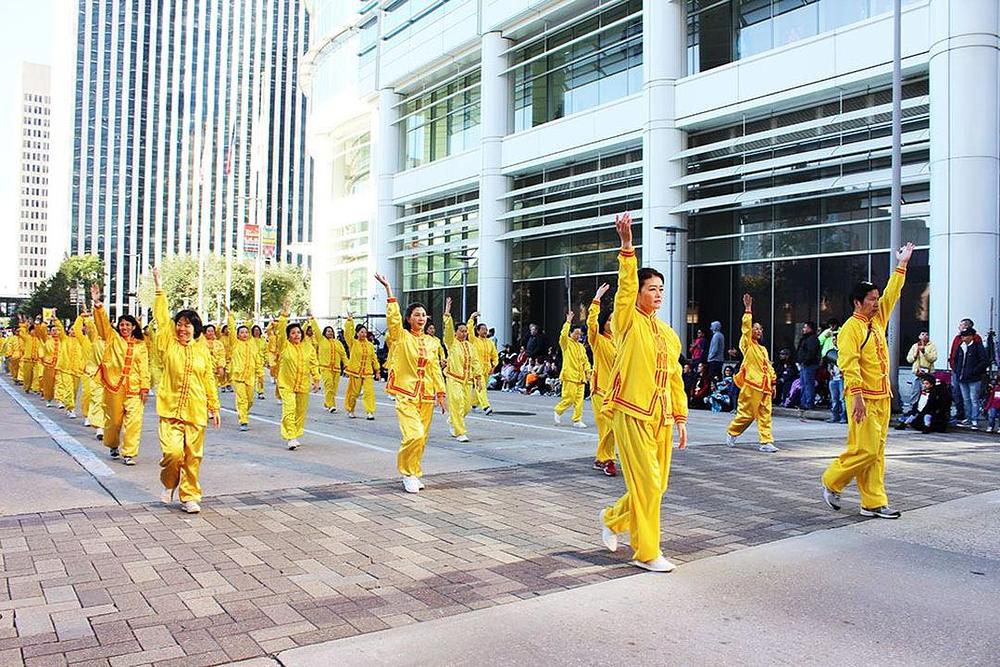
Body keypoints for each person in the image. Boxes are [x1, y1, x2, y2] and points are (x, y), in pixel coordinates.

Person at [600, 212, 688, 573]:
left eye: (661, 289)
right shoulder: (626, 321)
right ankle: (646, 552)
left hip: (662, 416)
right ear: (638, 293)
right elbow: (623, 291)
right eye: (651, 288)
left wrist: (680, 416)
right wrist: (626, 247)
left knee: (657, 486)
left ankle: (613, 518)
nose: (658, 294)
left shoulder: (667, 334)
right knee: (649, 484)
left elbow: (675, 377)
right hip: (631, 410)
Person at [821, 242, 914, 519]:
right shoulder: (851, 328)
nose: (876, 302)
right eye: (872, 299)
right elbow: (848, 365)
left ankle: (873, 502)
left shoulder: (877, 321)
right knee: (866, 449)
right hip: (861, 398)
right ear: (857, 302)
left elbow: (893, 293)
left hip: (882, 397)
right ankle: (832, 480)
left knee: (877, 452)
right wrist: (858, 398)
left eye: (876, 298)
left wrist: (902, 264)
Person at [151, 267, 221, 513]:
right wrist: (159, 288)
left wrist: (214, 407)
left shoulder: (202, 350)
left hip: (196, 410)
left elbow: (208, 379)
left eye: (187, 325)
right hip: (170, 409)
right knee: (172, 454)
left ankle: (190, 496)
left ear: (196, 328)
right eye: (179, 324)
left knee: (193, 456)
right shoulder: (168, 343)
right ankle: (169, 483)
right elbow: (162, 320)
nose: (182, 329)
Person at [374, 273, 447, 493]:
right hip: (406, 393)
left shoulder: (433, 342)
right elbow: (393, 320)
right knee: (413, 434)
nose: (421, 318)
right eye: (417, 315)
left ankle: (414, 471)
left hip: (427, 395)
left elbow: (435, 369)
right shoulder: (401, 336)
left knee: (422, 438)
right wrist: (389, 290)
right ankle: (407, 473)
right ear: (408, 318)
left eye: (423, 315)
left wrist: (441, 394)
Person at [91, 283, 151, 465]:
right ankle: (112, 444)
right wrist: (97, 304)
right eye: (122, 324)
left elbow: (144, 367)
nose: (124, 327)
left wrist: (145, 387)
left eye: (127, 325)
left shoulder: (141, 345)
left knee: (134, 422)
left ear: (133, 327)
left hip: (134, 389)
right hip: (114, 387)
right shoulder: (112, 338)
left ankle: (129, 453)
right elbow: (103, 325)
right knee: (114, 422)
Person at [725, 294, 778, 453]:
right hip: (752, 385)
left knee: (765, 414)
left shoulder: (762, 349)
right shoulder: (747, 345)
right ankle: (732, 431)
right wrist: (748, 310)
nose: (758, 331)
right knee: (747, 414)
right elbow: (746, 328)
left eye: (760, 329)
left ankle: (766, 441)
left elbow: (768, 366)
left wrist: (773, 382)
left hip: (765, 386)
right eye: (756, 328)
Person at [275, 302, 321, 449]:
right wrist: (284, 315)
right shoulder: (284, 346)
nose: (296, 335)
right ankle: (291, 436)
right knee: (289, 409)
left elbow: (313, 363)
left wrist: (316, 379)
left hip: (303, 385)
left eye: (298, 332)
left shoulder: (308, 347)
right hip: (286, 385)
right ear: (288, 336)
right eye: (293, 333)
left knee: (300, 412)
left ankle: (296, 432)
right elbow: (280, 331)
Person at [587, 283, 617, 476]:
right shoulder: (597, 340)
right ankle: (608, 460)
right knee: (608, 426)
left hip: (618, 392)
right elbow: (592, 324)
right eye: (609, 320)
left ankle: (601, 458)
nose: (612, 323)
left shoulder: (620, 341)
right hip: (600, 390)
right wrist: (597, 299)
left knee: (615, 428)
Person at [442, 296, 481, 443]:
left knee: (467, 407)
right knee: (457, 403)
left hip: (467, 381)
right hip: (453, 379)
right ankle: (460, 432)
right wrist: (447, 311)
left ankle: (453, 420)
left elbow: (475, 363)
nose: (464, 333)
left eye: (465, 331)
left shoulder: (470, 346)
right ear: (456, 332)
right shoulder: (451, 343)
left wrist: (478, 378)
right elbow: (448, 330)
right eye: (461, 331)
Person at [553, 310, 592, 429]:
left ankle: (577, 420)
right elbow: (563, 335)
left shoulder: (581, 346)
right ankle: (558, 410)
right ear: (571, 333)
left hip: (580, 377)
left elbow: (585, 361)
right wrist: (568, 321)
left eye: (580, 334)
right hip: (570, 375)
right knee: (569, 397)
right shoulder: (566, 343)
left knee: (579, 400)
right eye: (576, 333)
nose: (578, 336)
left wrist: (588, 372)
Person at [227, 310, 259, 431]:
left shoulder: (252, 344)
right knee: (242, 399)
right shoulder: (235, 343)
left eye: (246, 332)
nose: (244, 334)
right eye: (242, 332)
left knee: (250, 400)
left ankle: (244, 411)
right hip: (238, 377)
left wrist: (260, 372)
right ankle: (243, 420)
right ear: (238, 334)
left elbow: (257, 358)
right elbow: (231, 329)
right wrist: (230, 317)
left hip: (250, 377)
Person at [344, 314, 380, 419]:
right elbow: (347, 333)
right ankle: (350, 409)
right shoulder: (353, 343)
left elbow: (374, 358)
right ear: (357, 333)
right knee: (354, 393)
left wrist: (377, 370)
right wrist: (350, 321)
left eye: (365, 332)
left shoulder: (370, 345)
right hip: (355, 372)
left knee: (369, 392)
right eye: (361, 332)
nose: (364, 334)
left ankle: (370, 411)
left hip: (367, 372)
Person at [308, 318, 348, 413]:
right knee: (329, 386)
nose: (330, 333)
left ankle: (327, 402)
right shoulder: (321, 340)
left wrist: (346, 365)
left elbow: (343, 355)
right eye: (328, 331)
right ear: (324, 333)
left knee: (333, 389)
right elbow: (316, 330)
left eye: (331, 331)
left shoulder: (338, 343)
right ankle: (331, 405)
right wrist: (312, 320)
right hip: (325, 368)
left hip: (337, 369)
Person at [953, 326, 988, 430]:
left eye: (965, 336)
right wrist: (957, 371)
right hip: (962, 377)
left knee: (974, 399)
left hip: (974, 378)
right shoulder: (961, 347)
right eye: (962, 336)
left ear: (971, 336)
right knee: (966, 399)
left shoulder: (977, 347)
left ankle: (974, 420)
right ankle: (968, 418)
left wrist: (974, 371)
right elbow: (956, 360)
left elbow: (984, 361)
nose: (963, 338)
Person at [54, 315, 86, 419]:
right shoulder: (64, 339)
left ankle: (70, 407)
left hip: (77, 370)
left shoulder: (82, 341)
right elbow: (60, 329)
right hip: (65, 369)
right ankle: (71, 408)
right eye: (71, 329)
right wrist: (56, 320)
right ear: (68, 330)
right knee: (68, 389)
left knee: (74, 391)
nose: (73, 331)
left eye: (75, 329)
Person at [948, 318, 979, 421]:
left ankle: (972, 418)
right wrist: (953, 366)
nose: (959, 327)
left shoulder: (975, 339)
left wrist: (974, 370)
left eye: (961, 325)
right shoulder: (957, 338)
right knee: (957, 392)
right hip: (957, 370)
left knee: (971, 396)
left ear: (966, 326)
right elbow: (954, 353)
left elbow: (981, 358)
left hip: (969, 372)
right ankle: (960, 413)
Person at [469, 313, 498, 415]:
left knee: (481, 387)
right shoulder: (474, 340)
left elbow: (495, 355)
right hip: (477, 369)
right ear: (477, 331)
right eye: (483, 329)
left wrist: (494, 366)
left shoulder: (490, 342)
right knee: (481, 387)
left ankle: (473, 404)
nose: (485, 331)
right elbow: (469, 330)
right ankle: (486, 406)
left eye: (486, 329)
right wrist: (472, 319)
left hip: (487, 369)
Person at [905, 331, 938, 410]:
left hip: (928, 373)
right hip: (916, 372)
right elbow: (909, 359)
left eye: (926, 334)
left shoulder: (932, 346)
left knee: (927, 392)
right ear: (919, 336)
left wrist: (924, 352)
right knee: (915, 392)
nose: (925, 336)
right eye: (922, 334)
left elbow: (933, 358)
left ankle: (926, 409)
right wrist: (915, 355)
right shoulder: (915, 346)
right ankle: (912, 410)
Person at [795, 321, 821, 410]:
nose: (803, 329)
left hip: (809, 365)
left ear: (810, 328)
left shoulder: (812, 339)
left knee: (808, 384)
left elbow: (811, 352)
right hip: (804, 364)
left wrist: (805, 361)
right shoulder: (806, 338)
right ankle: (803, 402)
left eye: (805, 327)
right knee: (803, 384)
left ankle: (809, 403)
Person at [825, 334, 846, 424]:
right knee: (834, 399)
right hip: (833, 378)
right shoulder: (832, 352)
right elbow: (829, 364)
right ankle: (834, 416)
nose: (834, 341)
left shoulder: (844, 351)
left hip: (841, 378)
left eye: (835, 339)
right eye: (833, 339)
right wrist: (830, 370)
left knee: (842, 399)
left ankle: (843, 417)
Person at [251, 324, 267, 399]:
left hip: (260, 361)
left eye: (258, 330)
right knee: (251, 378)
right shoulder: (250, 340)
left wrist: (266, 360)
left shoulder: (263, 340)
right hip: (251, 361)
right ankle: (250, 392)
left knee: (261, 377)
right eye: (255, 330)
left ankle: (260, 392)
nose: (256, 332)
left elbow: (266, 351)